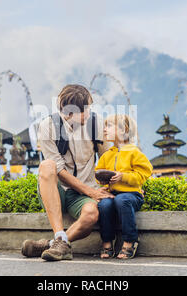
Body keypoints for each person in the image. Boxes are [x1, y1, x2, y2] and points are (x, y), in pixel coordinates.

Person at [21, 84, 113, 261]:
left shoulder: (96, 123)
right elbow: (58, 170)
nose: (89, 112)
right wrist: (90, 192)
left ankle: (56, 243)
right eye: (86, 109)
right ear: (70, 112)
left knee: (92, 214)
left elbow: (108, 160)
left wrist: (128, 185)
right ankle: (58, 234)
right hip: (59, 191)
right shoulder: (47, 126)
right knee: (47, 165)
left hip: (85, 194)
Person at [95, 114, 153, 259]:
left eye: (109, 126)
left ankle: (130, 240)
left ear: (124, 130)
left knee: (122, 200)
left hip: (132, 195)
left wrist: (123, 176)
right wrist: (101, 181)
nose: (104, 129)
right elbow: (98, 174)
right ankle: (107, 241)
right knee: (104, 205)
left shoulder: (135, 153)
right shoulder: (106, 155)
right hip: (113, 194)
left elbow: (143, 175)